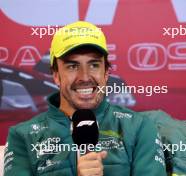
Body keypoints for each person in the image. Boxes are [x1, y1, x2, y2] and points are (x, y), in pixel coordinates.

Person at [4, 21, 167, 176]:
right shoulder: (21, 135)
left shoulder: (139, 127)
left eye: (94, 65)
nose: (84, 77)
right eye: (72, 66)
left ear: (106, 72)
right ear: (56, 75)